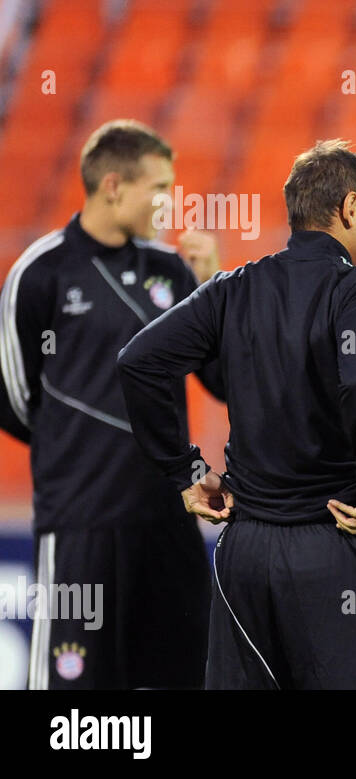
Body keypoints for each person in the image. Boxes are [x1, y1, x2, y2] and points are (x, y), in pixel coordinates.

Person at [118, 139, 356, 689]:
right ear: (350, 209)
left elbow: (139, 362)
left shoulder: (235, 287)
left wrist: (183, 471)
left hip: (244, 553)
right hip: (335, 540)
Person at [0, 119, 223, 689]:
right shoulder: (40, 271)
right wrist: (75, 442)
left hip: (170, 518)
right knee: (73, 697)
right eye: (159, 188)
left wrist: (212, 291)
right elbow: (10, 394)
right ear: (113, 186)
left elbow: (222, 382)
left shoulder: (172, 272)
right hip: (82, 520)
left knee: (191, 675)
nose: (168, 202)